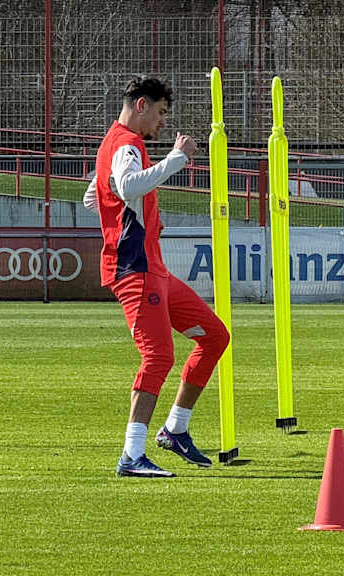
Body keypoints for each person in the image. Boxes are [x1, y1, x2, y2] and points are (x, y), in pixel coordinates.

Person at [83, 76, 230, 478]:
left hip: (153, 268)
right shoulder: (127, 143)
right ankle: (131, 455)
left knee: (215, 336)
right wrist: (177, 158)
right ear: (141, 105)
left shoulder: (115, 143)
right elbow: (128, 185)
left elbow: (94, 196)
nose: (163, 121)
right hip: (135, 269)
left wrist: (119, 203)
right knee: (159, 357)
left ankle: (175, 430)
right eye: (161, 112)